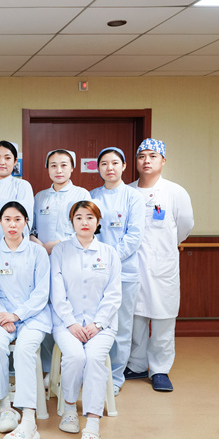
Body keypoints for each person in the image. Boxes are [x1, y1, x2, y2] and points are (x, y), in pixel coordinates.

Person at [50, 200, 121, 439]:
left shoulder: (109, 253)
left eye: (90, 217)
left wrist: (98, 323)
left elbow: (114, 294)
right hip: (66, 323)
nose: (84, 222)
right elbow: (56, 291)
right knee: (76, 356)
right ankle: (70, 408)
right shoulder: (60, 251)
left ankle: (92, 425)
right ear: (71, 222)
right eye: (78, 217)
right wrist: (70, 322)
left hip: (102, 325)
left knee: (94, 358)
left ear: (98, 222)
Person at [0, 201, 51, 439]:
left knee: (24, 350)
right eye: (7, 219)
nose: (12, 224)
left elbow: (42, 293)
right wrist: (3, 315)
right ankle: (5, 408)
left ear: (26, 222)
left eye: (18, 219)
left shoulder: (37, 252)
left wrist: (17, 315)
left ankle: (29, 418)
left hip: (33, 316)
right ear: (0, 222)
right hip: (0, 316)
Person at [128, 139, 194, 392]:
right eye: (141, 156)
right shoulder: (128, 191)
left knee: (163, 319)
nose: (146, 160)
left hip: (162, 266)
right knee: (135, 319)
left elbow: (185, 225)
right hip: (134, 266)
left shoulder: (175, 192)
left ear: (163, 161)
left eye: (153, 156)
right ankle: (136, 365)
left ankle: (159, 370)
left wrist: (165, 246)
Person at [89, 147, 145, 395]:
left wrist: (110, 258)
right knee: (96, 324)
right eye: (104, 163)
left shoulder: (134, 197)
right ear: (98, 168)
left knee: (121, 327)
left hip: (124, 272)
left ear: (124, 166)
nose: (109, 168)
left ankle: (115, 378)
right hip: (95, 271)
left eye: (114, 163)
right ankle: (94, 373)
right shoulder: (92, 196)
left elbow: (134, 236)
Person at [31, 149, 91, 377]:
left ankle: (74, 366)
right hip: (44, 262)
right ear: (47, 168)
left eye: (64, 165)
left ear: (72, 168)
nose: (58, 170)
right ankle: (49, 368)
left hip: (71, 261)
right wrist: (38, 243)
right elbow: (31, 228)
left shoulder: (81, 194)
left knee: (68, 311)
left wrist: (56, 244)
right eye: (53, 165)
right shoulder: (40, 197)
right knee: (46, 311)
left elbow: (86, 228)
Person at [0, 141, 34, 247]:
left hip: (16, 248)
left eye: (7, 158)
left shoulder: (22, 186)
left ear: (15, 161)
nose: (2, 162)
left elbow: (25, 223)